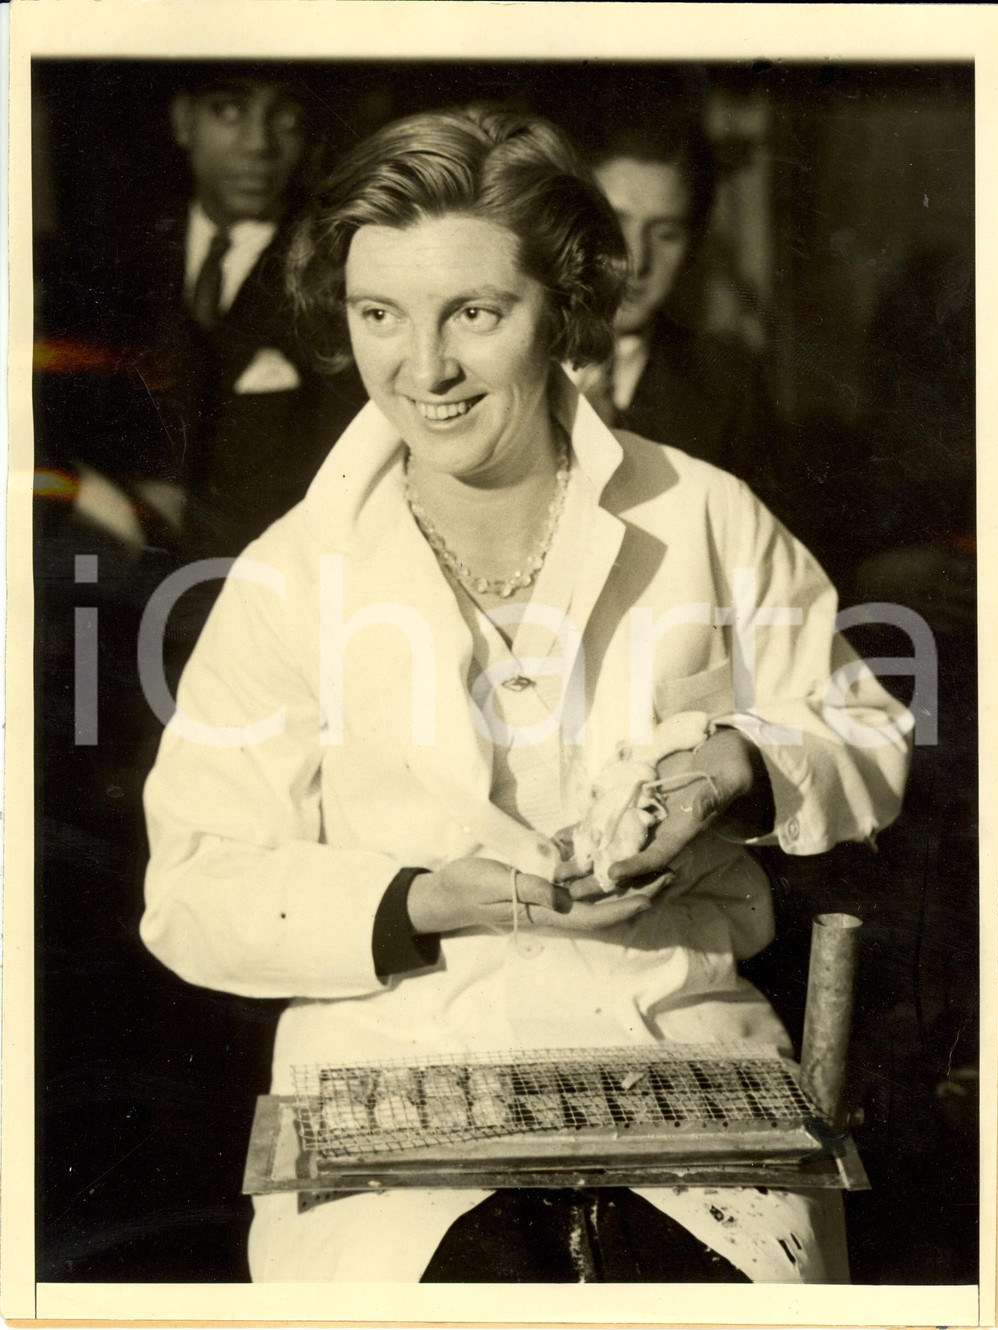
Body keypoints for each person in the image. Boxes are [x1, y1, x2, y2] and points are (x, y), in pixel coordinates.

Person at [140, 106, 912, 1283]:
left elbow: (862, 732)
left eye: (475, 314)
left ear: (564, 308)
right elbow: (194, 885)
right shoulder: (294, 573)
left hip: (681, 1060)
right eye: (378, 315)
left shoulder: (702, 516)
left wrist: (738, 766)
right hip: (395, 1077)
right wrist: (421, 900)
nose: (424, 367)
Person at [135, 63, 365, 565]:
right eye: (230, 110)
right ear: (183, 120)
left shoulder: (337, 277)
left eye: (285, 118)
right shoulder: (116, 261)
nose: (258, 144)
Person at [579, 115, 778, 502]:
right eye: (614, 226)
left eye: (666, 233)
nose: (636, 259)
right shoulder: (506, 360)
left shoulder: (728, 389)